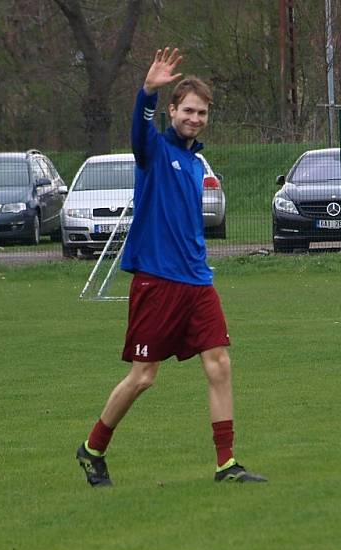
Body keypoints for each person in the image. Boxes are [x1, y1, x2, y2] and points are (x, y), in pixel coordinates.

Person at [75, 47, 266, 486]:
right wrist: (147, 92)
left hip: (198, 282)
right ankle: (93, 448)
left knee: (219, 365)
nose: (194, 119)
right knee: (144, 377)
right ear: (173, 111)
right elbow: (139, 131)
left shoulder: (197, 163)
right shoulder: (154, 151)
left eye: (201, 113)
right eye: (187, 111)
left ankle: (226, 464)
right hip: (158, 283)